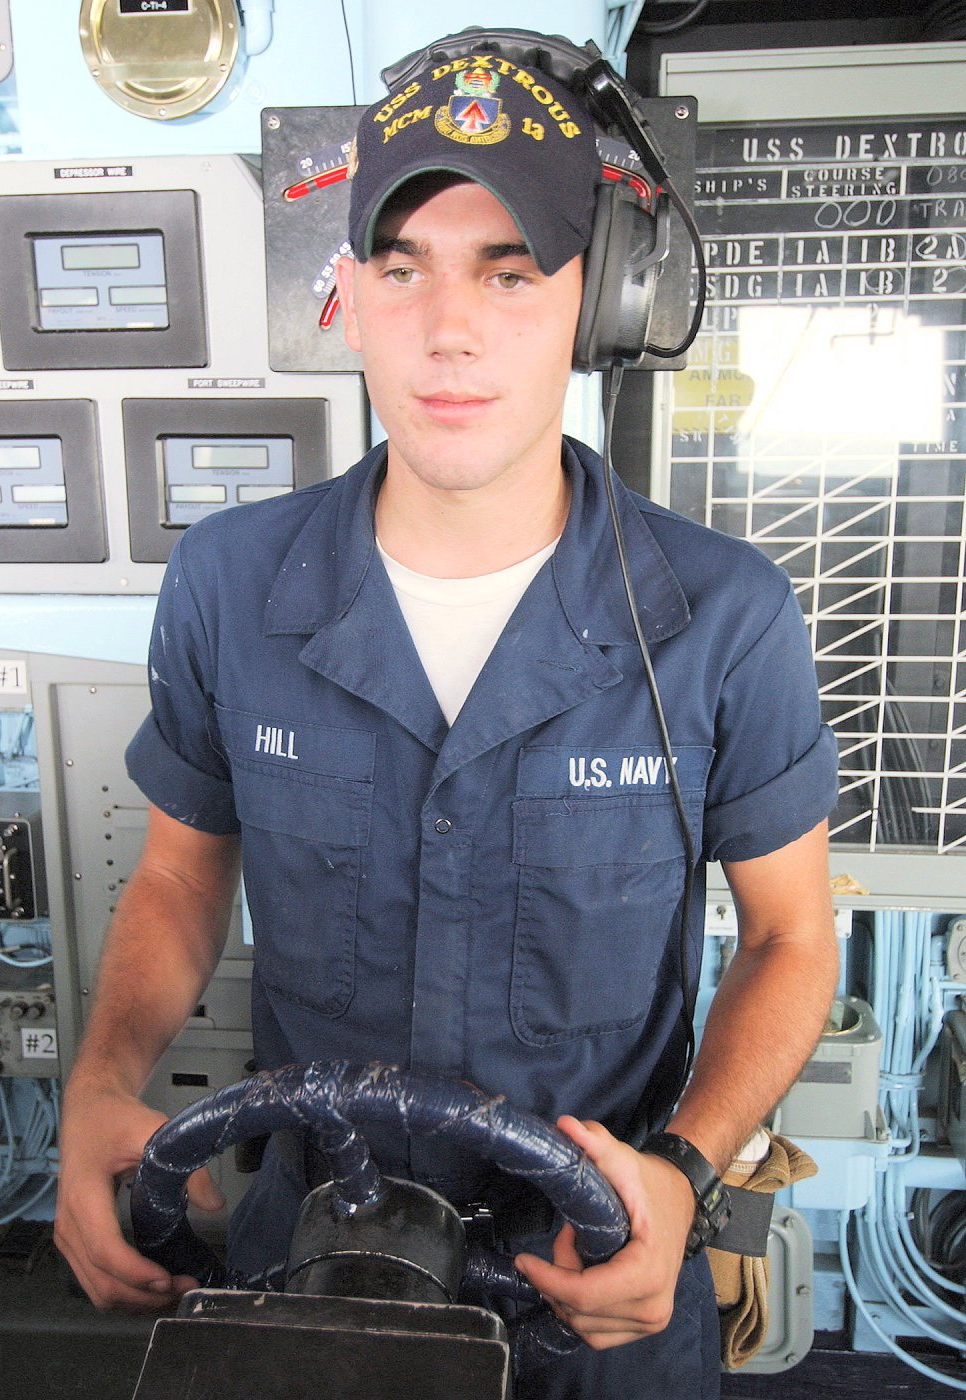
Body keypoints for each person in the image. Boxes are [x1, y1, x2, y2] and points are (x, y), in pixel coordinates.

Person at [54, 35, 839, 1400]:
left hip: (595, 1290)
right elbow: (179, 877)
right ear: (350, 295)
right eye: (404, 267)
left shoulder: (726, 617)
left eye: (509, 272)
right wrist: (99, 1082)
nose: (449, 329)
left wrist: (683, 1170)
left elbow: (789, 938)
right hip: (305, 1275)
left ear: (594, 299)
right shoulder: (230, 585)